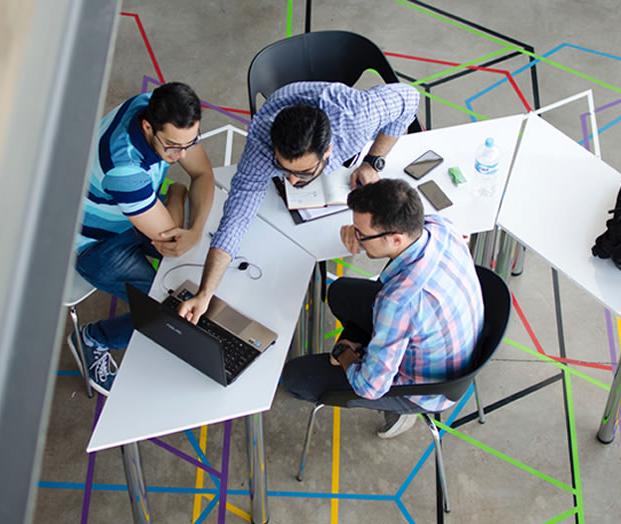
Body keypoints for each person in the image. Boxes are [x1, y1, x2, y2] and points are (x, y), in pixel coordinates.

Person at [177, 81, 420, 324]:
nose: (292, 181)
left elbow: (410, 98)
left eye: (303, 173)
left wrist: (373, 160)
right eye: (283, 169)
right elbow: (236, 219)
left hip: (340, 110)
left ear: (328, 152)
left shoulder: (357, 117)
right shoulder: (261, 144)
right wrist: (205, 293)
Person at [281, 179, 484, 438]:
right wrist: (359, 234)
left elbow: (369, 386)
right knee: (340, 292)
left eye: (361, 234)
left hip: (425, 388)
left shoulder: (398, 302)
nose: (356, 238)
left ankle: (400, 412)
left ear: (396, 238)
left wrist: (345, 353)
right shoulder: (439, 226)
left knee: (296, 377)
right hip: (450, 340)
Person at [68, 82, 215, 395]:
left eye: (191, 143)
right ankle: (94, 338)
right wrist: (176, 195)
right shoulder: (124, 169)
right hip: (95, 244)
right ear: (148, 127)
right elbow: (173, 242)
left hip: (132, 213)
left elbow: (203, 174)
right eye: (174, 147)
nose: (183, 154)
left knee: (196, 262)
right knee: (165, 310)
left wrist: (196, 229)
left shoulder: (155, 106)